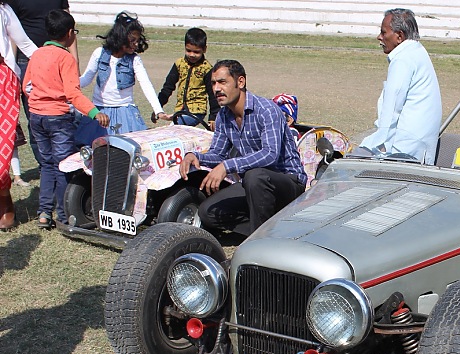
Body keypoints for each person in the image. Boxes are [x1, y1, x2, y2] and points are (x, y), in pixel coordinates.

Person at [179, 60, 306, 236]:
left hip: (288, 181)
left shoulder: (267, 110)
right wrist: (195, 157)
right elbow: (218, 153)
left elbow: (270, 155)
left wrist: (227, 166)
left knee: (255, 175)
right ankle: (271, 230)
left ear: (240, 82)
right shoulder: (223, 115)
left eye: (222, 82)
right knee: (208, 212)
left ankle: (258, 243)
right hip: (253, 185)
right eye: (214, 83)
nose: (216, 89)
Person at [23, 9, 110, 228]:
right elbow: (73, 94)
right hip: (58, 118)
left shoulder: (36, 55)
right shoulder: (66, 58)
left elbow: (27, 86)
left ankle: (44, 213)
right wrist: (94, 112)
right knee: (62, 165)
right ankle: (63, 215)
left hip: (36, 117)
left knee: (46, 164)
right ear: (70, 33)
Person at [360, 8, 441, 165]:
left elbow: (391, 110)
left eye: (384, 33)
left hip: (404, 152)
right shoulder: (417, 51)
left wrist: (377, 146)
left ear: (399, 36)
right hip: (418, 150)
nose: (379, 37)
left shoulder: (403, 60)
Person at [7, 0, 78, 171]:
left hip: (59, 57)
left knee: (66, 111)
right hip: (28, 60)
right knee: (35, 116)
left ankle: (63, 162)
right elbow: (13, 34)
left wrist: (75, 61)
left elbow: (69, 23)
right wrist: (14, 72)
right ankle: (45, 164)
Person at [79, 11, 167, 134]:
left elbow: (146, 85)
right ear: (120, 36)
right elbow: (86, 79)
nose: (135, 44)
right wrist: (67, 86)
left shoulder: (134, 60)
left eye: (137, 40)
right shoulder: (99, 53)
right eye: (132, 40)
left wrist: (158, 110)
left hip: (125, 112)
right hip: (100, 111)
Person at [0, 2, 37, 230]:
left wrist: (50, 59)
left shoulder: (4, 10)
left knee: (2, 148)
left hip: (2, 80)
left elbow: (25, 44)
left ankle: (4, 199)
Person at [153, 27, 219, 129]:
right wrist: (157, 107)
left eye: (196, 52)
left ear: (204, 49)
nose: (192, 55)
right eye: (188, 51)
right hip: (180, 110)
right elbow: (168, 87)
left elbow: (212, 94)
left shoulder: (207, 69)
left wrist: (213, 117)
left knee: (173, 129)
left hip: (197, 112)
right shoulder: (179, 64)